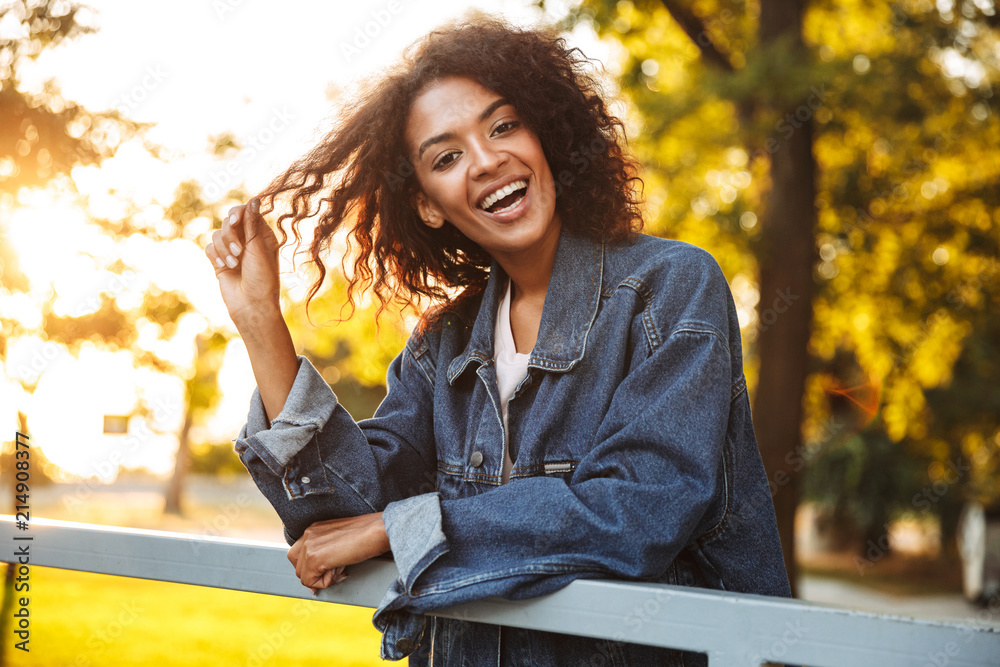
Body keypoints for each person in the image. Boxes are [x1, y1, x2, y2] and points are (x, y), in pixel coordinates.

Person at [205, 14, 790, 666]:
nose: (487, 160)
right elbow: (343, 513)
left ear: (544, 133)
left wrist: (400, 530)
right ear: (427, 202)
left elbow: (636, 509)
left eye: (504, 125)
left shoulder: (671, 289)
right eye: (447, 156)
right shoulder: (441, 342)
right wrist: (259, 319)